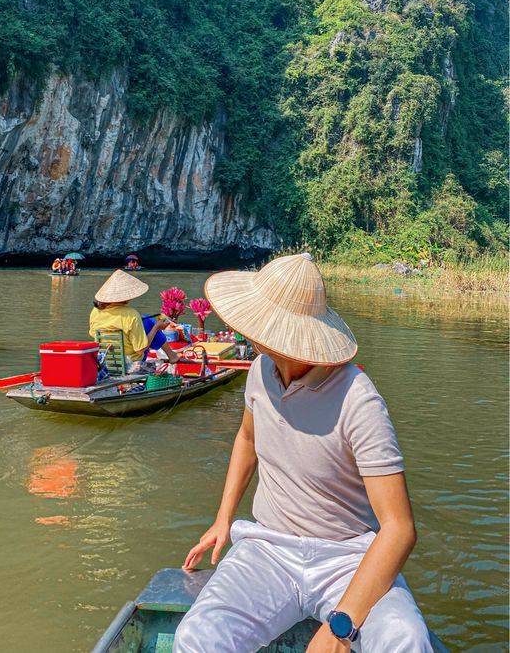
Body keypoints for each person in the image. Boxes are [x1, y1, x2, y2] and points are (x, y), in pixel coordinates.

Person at [174, 253, 433, 653]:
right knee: (198, 637)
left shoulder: (358, 400)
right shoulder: (261, 370)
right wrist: (223, 519)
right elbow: (247, 439)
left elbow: (399, 529)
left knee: (406, 639)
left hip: (347, 556)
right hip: (269, 548)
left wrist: (339, 627)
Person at [89, 269, 180, 365]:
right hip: (130, 362)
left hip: (106, 361)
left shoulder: (95, 311)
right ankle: (171, 355)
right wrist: (156, 328)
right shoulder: (131, 315)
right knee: (150, 323)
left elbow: (93, 334)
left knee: (145, 320)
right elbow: (140, 350)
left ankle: (171, 355)